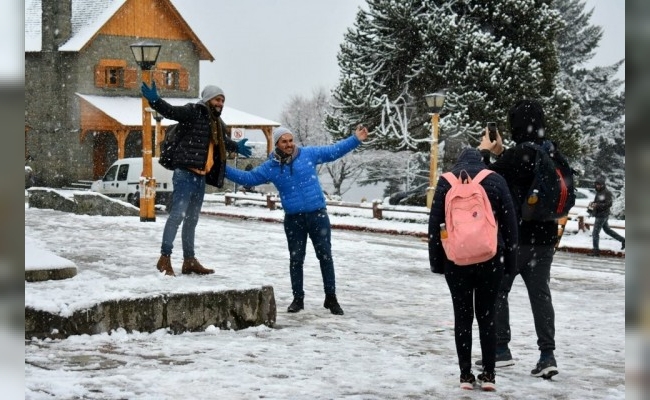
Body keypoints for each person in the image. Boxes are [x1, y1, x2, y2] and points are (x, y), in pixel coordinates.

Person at [224, 125, 369, 315]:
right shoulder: (271, 168)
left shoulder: (308, 154)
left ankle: (331, 298)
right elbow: (249, 178)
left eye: (291, 140)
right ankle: (298, 299)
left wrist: (355, 139)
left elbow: (334, 151)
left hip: (318, 215)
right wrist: (221, 168)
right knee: (296, 259)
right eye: (284, 141)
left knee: (325, 256)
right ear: (276, 144)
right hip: (294, 219)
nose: (289, 144)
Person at [477, 99, 560, 379]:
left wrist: (487, 152)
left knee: (499, 291)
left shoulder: (515, 157)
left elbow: (484, 181)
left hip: (515, 238)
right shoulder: (551, 152)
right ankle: (547, 355)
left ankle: (501, 349)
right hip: (545, 239)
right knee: (540, 296)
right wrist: (503, 153)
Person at [141, 81, 253, 277]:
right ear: (209, 99)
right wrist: (155, 100)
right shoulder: (193, 111)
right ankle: (164, 258)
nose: (221, 103)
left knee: (191, 220)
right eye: (218, 99)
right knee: (177, 216)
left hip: (200, 176)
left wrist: (237, 146)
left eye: (223, 100)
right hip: (185, 173)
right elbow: (171, 112)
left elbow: (222, 142)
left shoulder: (215, 123)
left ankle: (189, 260)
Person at [429, 148, 518, 391]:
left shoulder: (446, 181)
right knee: (487, 316)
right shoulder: (495, 180)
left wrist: (437, 262)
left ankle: (465, 375)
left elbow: (435, 224)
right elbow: (510, 224)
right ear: (483, 161)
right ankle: (489, 375)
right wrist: (510, 263)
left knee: (463, 317)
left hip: (456, 261)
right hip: (490, 258)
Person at [587, 176, 625, 256]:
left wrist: (597, 205)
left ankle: (596, 251)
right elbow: (597, 202)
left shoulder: (606, 192)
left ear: (603, 185)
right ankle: (623, 240)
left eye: (599, 185)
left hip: (602, 215)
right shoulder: (599, 192)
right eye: (596, 184)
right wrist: (591, 206)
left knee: (595, 233)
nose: (597, 186)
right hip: (600, 215)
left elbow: (609, 204)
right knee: (607, 230)